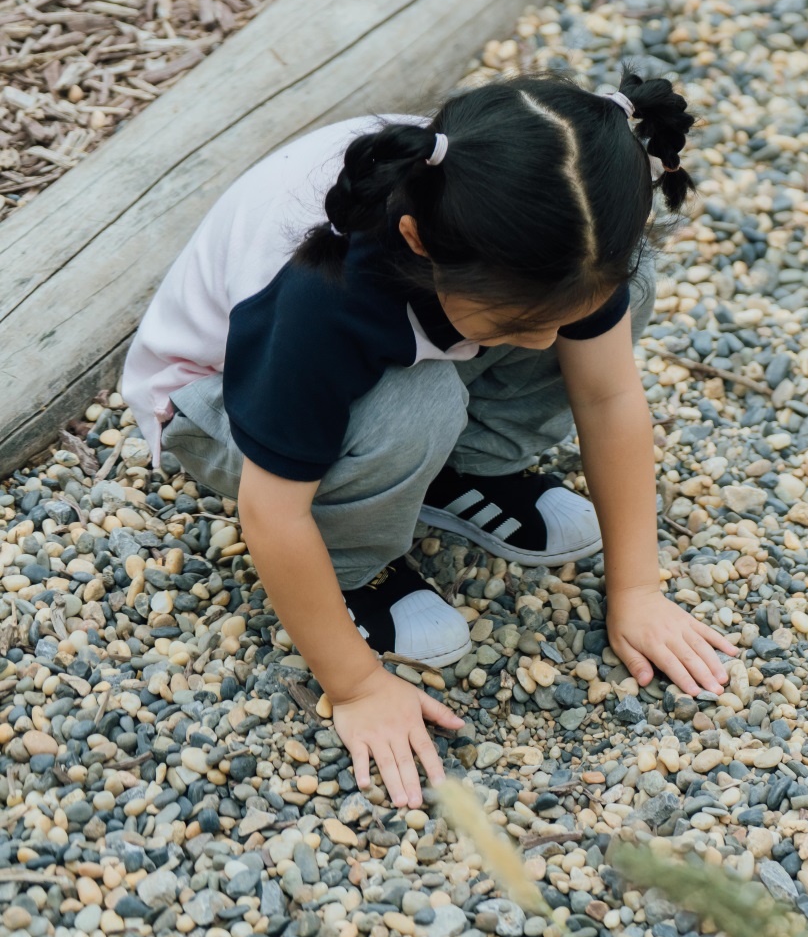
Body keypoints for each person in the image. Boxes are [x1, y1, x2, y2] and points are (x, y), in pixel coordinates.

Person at [121, 69, 737, 807]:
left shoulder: (546, 227)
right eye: (519, 323)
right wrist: (354, 684)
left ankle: (448, 475)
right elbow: (270, 510)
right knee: (416, 404)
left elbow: (608, 395)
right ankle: (356, 560)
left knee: (617, 297)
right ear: (418, 242)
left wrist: (637, 587)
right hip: (216, 401)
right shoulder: (328, 299)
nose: (545, 341)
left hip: (407, 331)